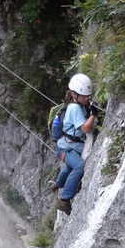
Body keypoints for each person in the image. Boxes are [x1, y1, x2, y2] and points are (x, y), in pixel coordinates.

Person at [53, 73, 98, 216]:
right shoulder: (74, 108)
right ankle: (64, 200)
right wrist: (93, 114)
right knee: (79, 166)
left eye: (88, 96)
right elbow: (84, 128)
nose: (86, 98)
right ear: (74, 94)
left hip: (70, 146)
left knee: (71, 166)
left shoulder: (80, 106)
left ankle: (58, 184)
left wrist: (90, 110)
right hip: (65, 148)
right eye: (83, 96)